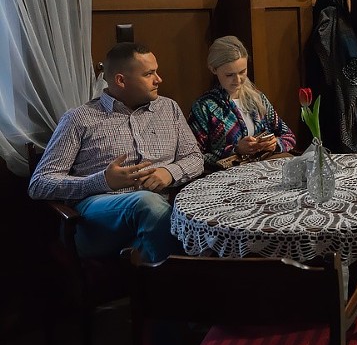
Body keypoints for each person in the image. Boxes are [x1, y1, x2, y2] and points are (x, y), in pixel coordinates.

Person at [28, 43, 204, 263]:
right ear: (121, 80)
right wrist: (102, 181)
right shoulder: (79, 118)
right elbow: (39, 183)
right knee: (146, 203)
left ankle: (150, 274)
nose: (159, 79)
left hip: (164, 208)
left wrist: (169, 172)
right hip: (98, 216)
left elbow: (195, 158)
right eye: (149, 74)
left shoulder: (169, 109)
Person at [189, 36, 296, 168]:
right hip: (230, 178)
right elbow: (194, 157)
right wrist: (236, 150)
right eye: (230, 75)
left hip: (266, 169)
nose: (238, 80)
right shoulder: (204, 107)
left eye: (242, 72)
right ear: (213, 69)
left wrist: (275, 144)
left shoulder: (257, 98)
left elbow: (289, 136)